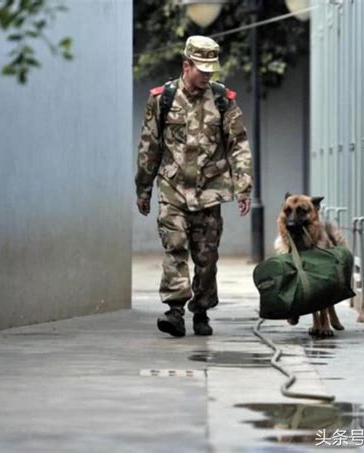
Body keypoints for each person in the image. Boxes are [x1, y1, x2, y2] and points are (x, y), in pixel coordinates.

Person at [135, 35, 252, 337]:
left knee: (206, 257)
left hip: (209, 191)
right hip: (172, 189)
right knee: (174, 247)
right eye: (202, 70)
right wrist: (143, 188)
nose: (208, 76)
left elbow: (238, 144)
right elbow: (150, 146)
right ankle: (174, 311)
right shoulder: (162, 99)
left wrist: (243, 185)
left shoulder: (224, 99)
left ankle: (200, 310)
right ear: (186, 66)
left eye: (211, 70)